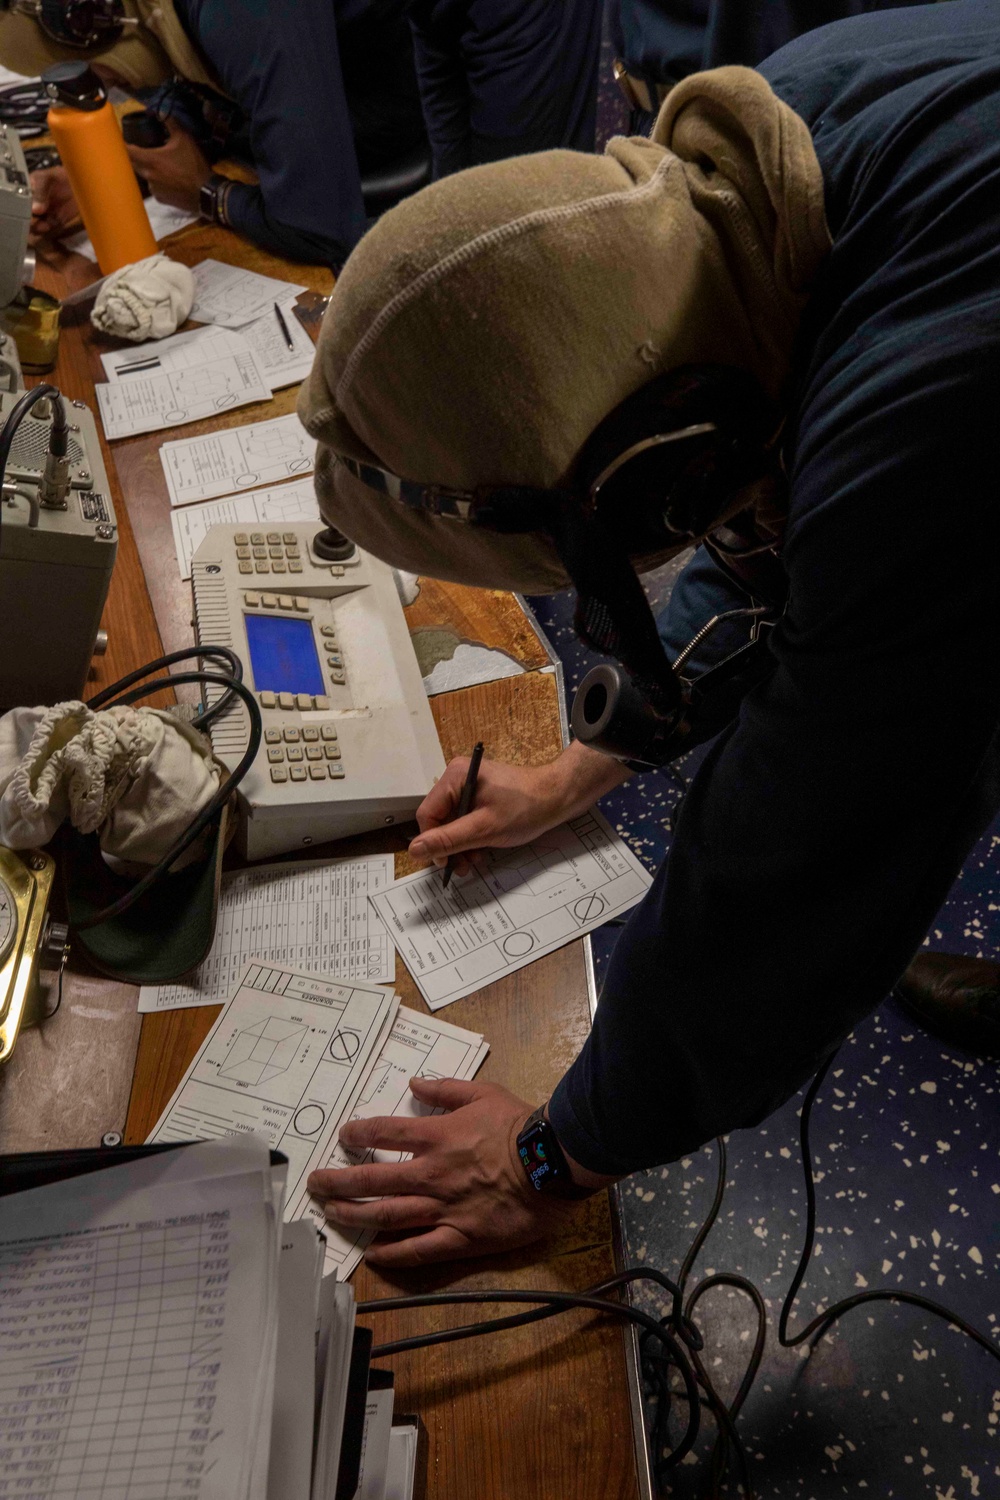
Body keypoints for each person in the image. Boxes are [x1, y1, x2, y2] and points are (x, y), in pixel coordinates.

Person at [295, 1, 1000, 1269]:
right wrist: (584, 763)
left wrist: (557, 1154)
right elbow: (748, 496)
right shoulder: (754, 160)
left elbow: (808, 846)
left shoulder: (935, 398)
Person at [0, 0, 601, 268]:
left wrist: (209, 194)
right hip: (424, 24)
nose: (104, 82)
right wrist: (117, 173)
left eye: (94, 68)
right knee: (461, 241)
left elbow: (321, 226)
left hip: (513, 11)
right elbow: (191, 75)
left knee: (512, 247)